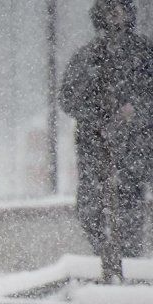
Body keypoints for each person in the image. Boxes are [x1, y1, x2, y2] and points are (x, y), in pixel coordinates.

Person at [59, 0, 153, 271]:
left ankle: (128, 267)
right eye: (109, 9)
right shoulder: (88, 55)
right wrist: (100, 114)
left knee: (129, 213)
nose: (115, 15)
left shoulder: (143, 54)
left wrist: (134, 112)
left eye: (120, 8)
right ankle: (106, 262)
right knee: (90, 211)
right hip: (94, 149)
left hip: (133, 150)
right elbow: (68, 99)